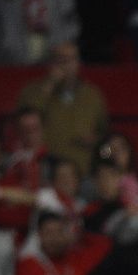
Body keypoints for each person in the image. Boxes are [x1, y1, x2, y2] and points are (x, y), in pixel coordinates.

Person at [16, 42, 108, 175]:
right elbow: (26, 121)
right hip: (43, 170)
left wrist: (96, 142)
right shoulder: (33, 91)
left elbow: (105, 140)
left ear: (78, 63)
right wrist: (50, 84)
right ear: (50, 63)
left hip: (83, 172)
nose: (66, 65)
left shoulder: (93, 95)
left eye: (71, 59)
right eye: (60, 60)